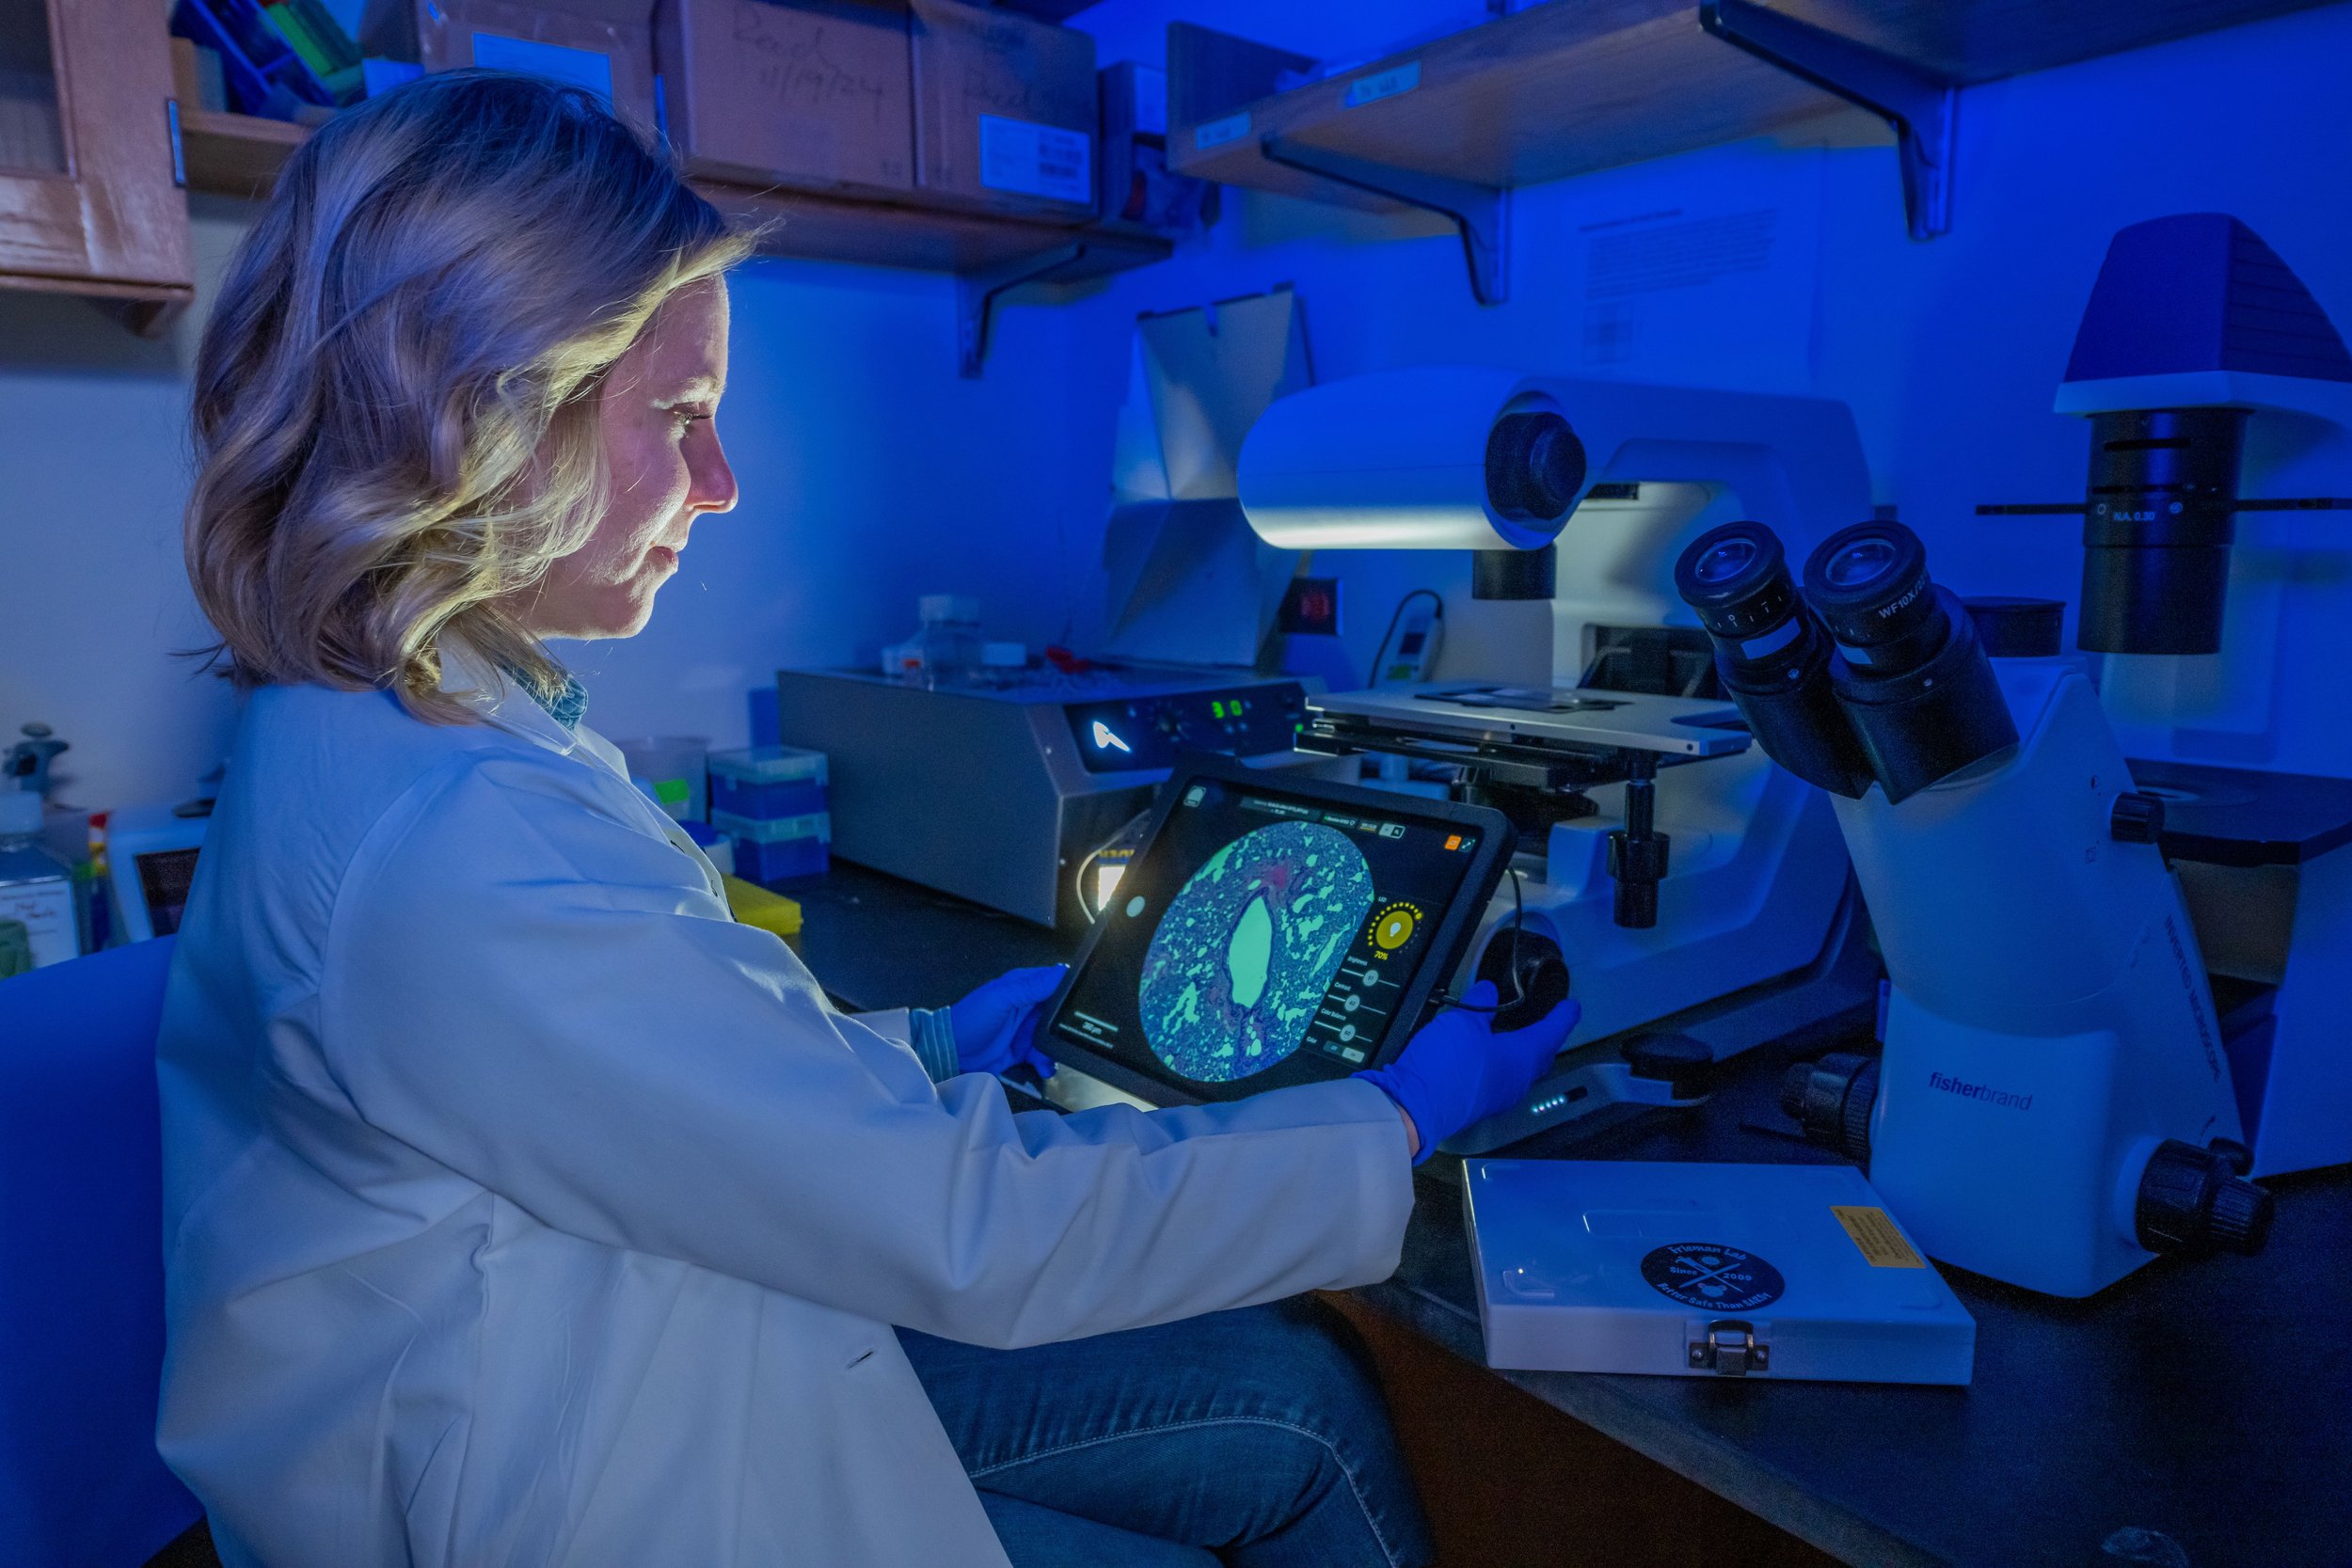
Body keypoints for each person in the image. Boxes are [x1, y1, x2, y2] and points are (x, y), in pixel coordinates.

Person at [156, 73, 1580, 1568]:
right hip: (589, 1485)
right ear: (480, 415)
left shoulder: (372, 716)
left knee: (1284, 1387)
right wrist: (1392, 1117)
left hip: (605, 1345)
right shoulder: (458, 842)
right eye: (682, 417)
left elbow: (649, 1074)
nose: (720, 484)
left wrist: (941, 1046)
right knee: (1284, 1423)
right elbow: (980, 1231)